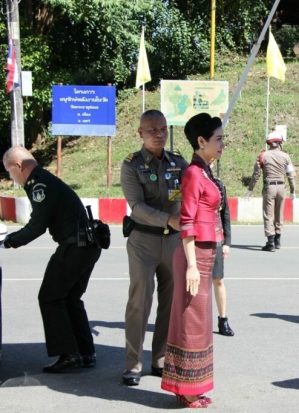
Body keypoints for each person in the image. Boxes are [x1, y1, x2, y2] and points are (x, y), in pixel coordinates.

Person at [1, 147, 102, 372]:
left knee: (49, 297)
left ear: (18, 165)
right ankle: (86, 353)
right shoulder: (45, 179)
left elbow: (37, 225)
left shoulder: (40, 185)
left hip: (75, 246)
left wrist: (8, 241)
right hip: (87, 245)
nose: (11, 177)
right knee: (70, 298)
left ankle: (68, 354)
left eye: (9, 171)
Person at [160, 113, 225, 408]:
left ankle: (191, 385)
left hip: (205, 253)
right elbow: (186, 222)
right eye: (218, 139)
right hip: (193, 255)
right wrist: (192, 265)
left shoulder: (206, 172)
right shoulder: (192, 174)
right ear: (201, 142)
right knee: (190, 321)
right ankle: (185, 388)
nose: (223, 143)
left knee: (199, 321)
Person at [120, 109, 188, 386]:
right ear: (141, 133)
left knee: (170, 305)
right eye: (152, 130)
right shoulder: (132, 165)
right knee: (140, 302)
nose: (159, 135)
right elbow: (136, 206)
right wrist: (169, 219)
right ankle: (133, 364)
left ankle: (160, 359)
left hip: (173, 242)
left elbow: (191, 192)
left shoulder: (178, 162)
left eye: (163, 130)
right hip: (143, 242)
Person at [246, 131, 296, 251]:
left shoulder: (263, 156)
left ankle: (270, 242)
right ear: (279, 143)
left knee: (268, 215)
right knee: (279, 213)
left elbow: (256, 174)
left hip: (269, 188)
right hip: (281, 187)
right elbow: (291, 175)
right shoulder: (286, 156)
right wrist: (293, 190)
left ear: (269, 143)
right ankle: (278, 240)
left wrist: (250, 188)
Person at [211, 170, 234, 336]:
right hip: (197, 240)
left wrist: (227, 243)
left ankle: (223, 319)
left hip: (216, 238)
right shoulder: (190, 179)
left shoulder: (218, 184)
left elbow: (225, 214)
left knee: (218, 279)